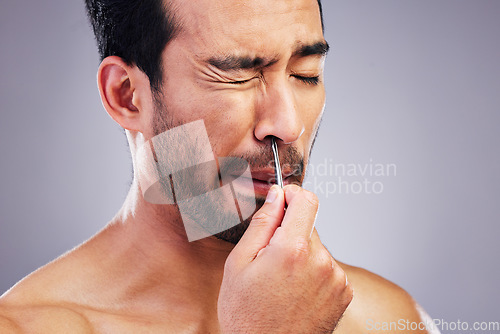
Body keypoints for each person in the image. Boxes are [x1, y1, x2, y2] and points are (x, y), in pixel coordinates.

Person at [0, 0, 439, 332]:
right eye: (237, 74)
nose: (286, 125)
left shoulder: (388, 319)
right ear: (127, 95)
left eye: (306, 73)